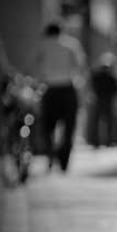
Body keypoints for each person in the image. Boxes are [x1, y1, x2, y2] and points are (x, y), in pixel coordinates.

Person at [35, 21, 85, 172]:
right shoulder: (71, 44)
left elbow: (33, 66)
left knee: (47, 126)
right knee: (69, 128)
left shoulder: (42, 45)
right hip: (67, 89)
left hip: (49, 89)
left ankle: (50, 153)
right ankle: (64, 161)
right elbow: (80, 66)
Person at [87, 52, 117, 148]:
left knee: (110, 121)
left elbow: (116, 90)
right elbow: (92, 87)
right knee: (96, 121)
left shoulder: (113, 77)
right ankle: (95, 142)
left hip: (108, 100)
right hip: (99, 99)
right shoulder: (97, 76)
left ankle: (110, 141)